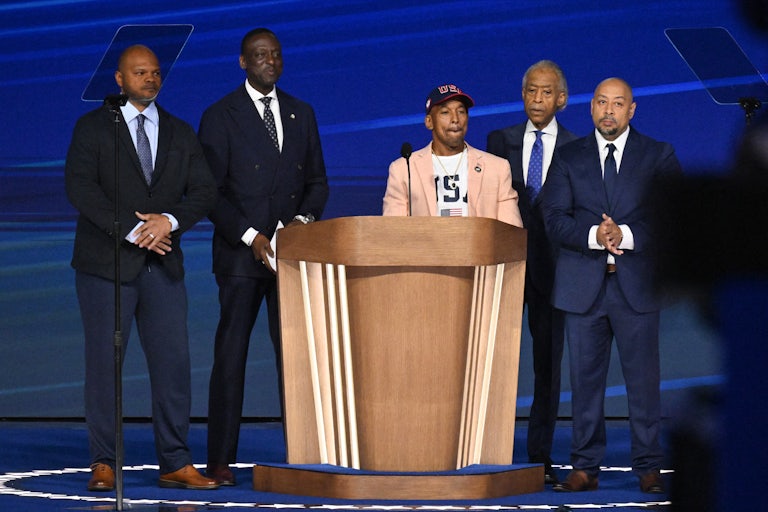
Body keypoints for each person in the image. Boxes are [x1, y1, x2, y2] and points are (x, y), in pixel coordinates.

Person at [65, 45, 218, 491]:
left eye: (154, 73)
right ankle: (104, 461)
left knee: (173, 364)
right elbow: (80, 187)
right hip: (105, 266)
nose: (150, 79)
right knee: (105, 364)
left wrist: (167, 222)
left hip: (163, 265)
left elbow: (204, 191)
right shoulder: (94, 128)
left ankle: (174, 460)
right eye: (139, 72)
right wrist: (130, 231)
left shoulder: (179, 132)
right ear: (119, 79)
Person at [198, 27, 329, 486]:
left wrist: (302, 225)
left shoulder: (301, 113)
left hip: (290, 260)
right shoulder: (219, 116)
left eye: (274, 54)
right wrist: (252, 236)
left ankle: (305, 458)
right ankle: (219, 460)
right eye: (258, 55)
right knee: (230, 358)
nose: (268, 61)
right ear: (242, 62)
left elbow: (317, 183)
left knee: (296, 360)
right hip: (240, 260)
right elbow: (210, 193)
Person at [540, 77, 682, 494]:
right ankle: (584, 467)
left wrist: (626, 234)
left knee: (642, 382)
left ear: (632, 110)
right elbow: (554, 217)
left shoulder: (658, 154)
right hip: (583, 288)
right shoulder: (568, 157)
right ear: (591, 109)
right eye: (602, 102)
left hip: (635, 286)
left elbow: (670, 216)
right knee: (584, 383)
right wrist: (594, 235)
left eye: (618, 103)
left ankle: (649, 466)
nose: (609, 110)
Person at [486, 60, 577, 485]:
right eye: (530, 92)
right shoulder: (498, 141)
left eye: (546, 93)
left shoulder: (578, 148)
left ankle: (539, 455)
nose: (536, 100)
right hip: (504, 266)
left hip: (554, 272)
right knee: (493, 362)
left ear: (561, 99)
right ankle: (489, 450)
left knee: (547, 367)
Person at [383, 83, 523, 228]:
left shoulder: (497, 168)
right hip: (426, 250)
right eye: (445, 112)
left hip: (478, 250)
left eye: (461, 112)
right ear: (429, 122)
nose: (455, 119)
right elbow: (392, 232)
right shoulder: (403, 169)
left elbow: (511, 233)